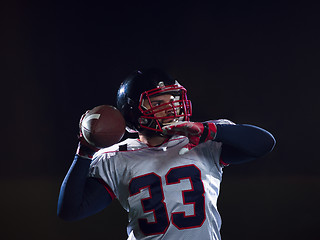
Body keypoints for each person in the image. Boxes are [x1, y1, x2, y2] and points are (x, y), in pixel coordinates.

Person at [57, 68, 276, 240]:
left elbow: (265, 143)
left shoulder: (202, 140)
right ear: (134, 112)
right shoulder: (116, 157)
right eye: (159, 102)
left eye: (173, 99)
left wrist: (211, 131)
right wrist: (85, 152)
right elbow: (71, 211)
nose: (171, 107)